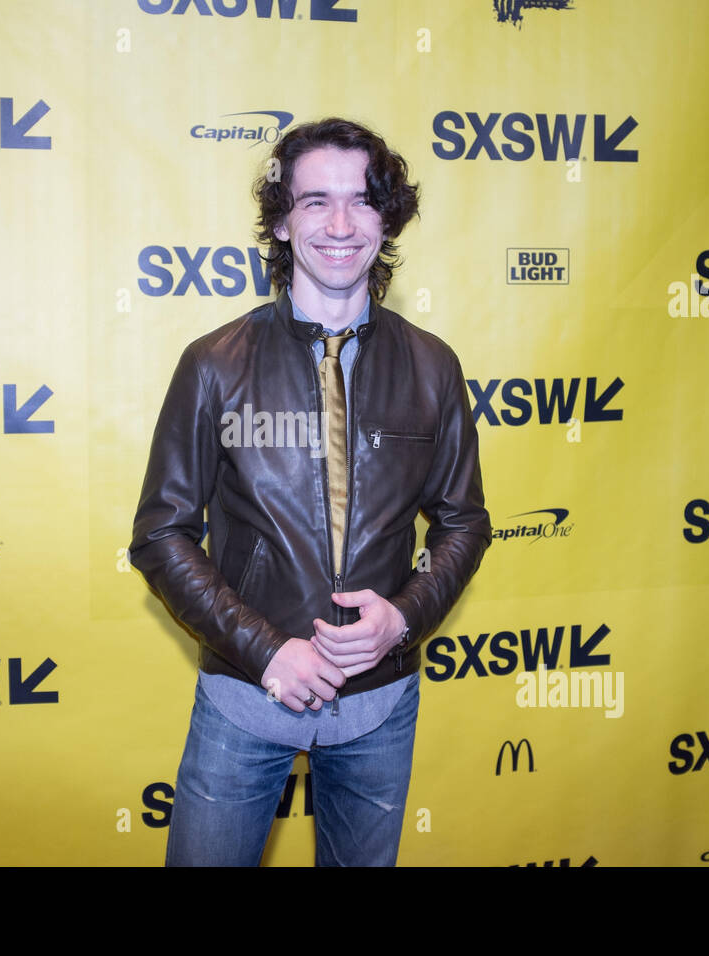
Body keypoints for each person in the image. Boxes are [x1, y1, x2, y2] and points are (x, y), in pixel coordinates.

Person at [130, 117, 490, 866]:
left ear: (385, 219)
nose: (339, 223)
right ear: (284, 220)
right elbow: (161, 534)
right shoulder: (214, 365)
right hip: (247, 695)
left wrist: (406, 617)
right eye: (315, 200)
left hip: (380, 705)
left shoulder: (432, 367)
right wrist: (267, 652)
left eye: (361, 201)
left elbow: (464, 523)